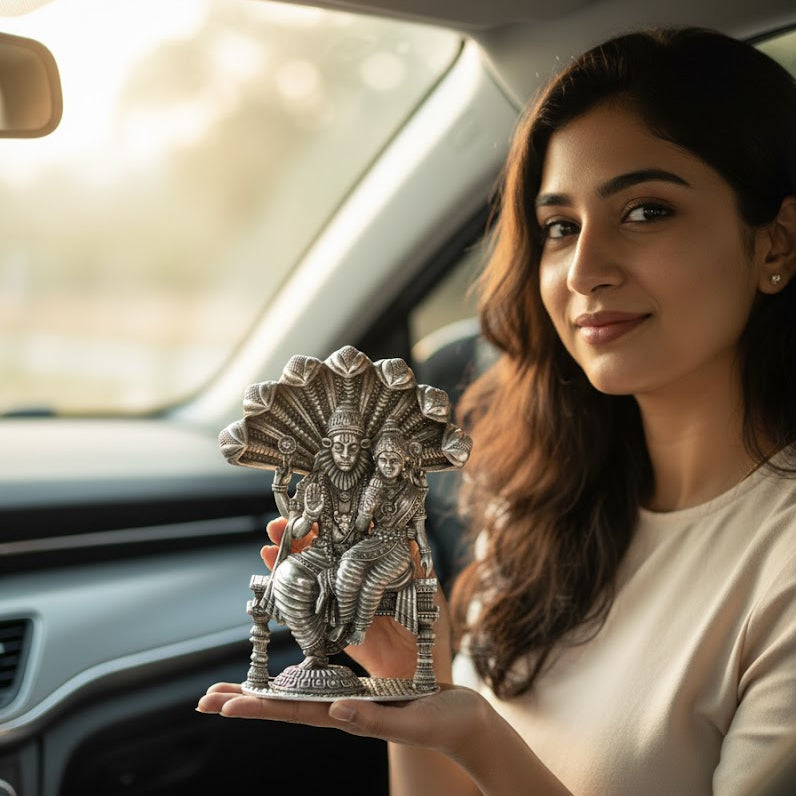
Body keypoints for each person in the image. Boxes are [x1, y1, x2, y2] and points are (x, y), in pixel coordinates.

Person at [197, 26, 796, 795]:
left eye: (646, 212)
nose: (584, 270)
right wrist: (418, 686)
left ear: (777, 243)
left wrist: (478, 735)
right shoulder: (541, 507)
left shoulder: (777, 565)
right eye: (559, 227)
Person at [263, 398, 373, 669]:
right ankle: (314, 651)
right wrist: (310, 515)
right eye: (339, 447)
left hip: (360, 554)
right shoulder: (316, 482)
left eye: (352, 447)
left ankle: (334, 637)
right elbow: (298, 530)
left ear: (363, 447)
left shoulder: (373, 482)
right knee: (286, 575)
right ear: (328, 447)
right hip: (323, 551)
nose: (345, 454)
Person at [334, 420, 433, 645]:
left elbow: (418, 527)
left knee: (373, 582)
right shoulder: (371, 487)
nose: (388, 465)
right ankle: (344, 620)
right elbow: (360, 527)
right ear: (376, 462)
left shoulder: (413, 492)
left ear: (403, 462)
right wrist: (366, 509)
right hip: (374, 540)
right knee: (347, 565)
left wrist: (425, 552)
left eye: (394, 461)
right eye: (384, 460)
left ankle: (360, 627)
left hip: (399, 548)